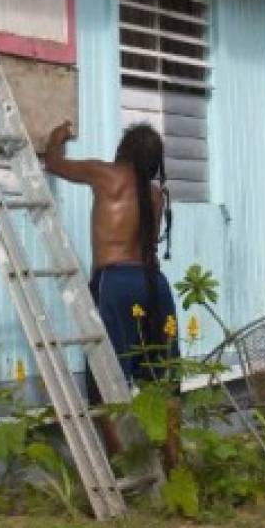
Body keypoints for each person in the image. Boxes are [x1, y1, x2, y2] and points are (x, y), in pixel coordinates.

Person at [43, 120, 178, 461]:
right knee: (162, 379)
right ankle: (175, 459)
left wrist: (56, 138)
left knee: (103, 379)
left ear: (125, 149)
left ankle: (121, 463)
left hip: (115, 283)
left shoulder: (106, 175)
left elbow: (53, 165)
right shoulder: (156, 196)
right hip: (154, 285)